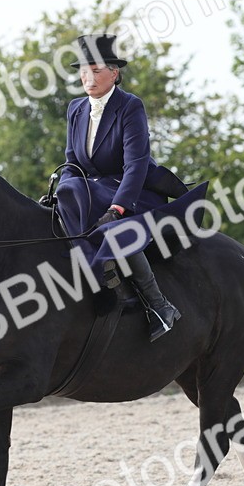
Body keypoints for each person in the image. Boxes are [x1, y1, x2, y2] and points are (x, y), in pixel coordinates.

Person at [56, 33, 182, 342]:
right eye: (84, 71)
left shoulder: (129, 106)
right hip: (92, 189)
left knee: (113, 225)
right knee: (65, 196)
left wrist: (118, 207)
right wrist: (61, 190)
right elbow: (73, 161)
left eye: (97, 70)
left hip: (132, 191)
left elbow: (136, 164)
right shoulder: (75, 109)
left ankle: (160, 306)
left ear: (114, 73)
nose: (89, 77)